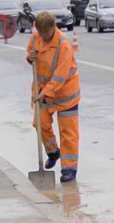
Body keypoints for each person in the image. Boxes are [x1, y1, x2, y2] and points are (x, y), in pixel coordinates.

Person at [26, 11, 80, 182]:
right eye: (40, 33)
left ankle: (69, 170)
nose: (43, 36)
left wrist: (45, 93)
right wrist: (30, 56)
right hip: (42, 92)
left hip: (65, 94)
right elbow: (30, 54)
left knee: (68, 133)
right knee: (39, 123)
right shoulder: (35, 38)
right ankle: (53, 152)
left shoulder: (63, 44)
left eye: (46, 33)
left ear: (53, 27)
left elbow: (60, 74)